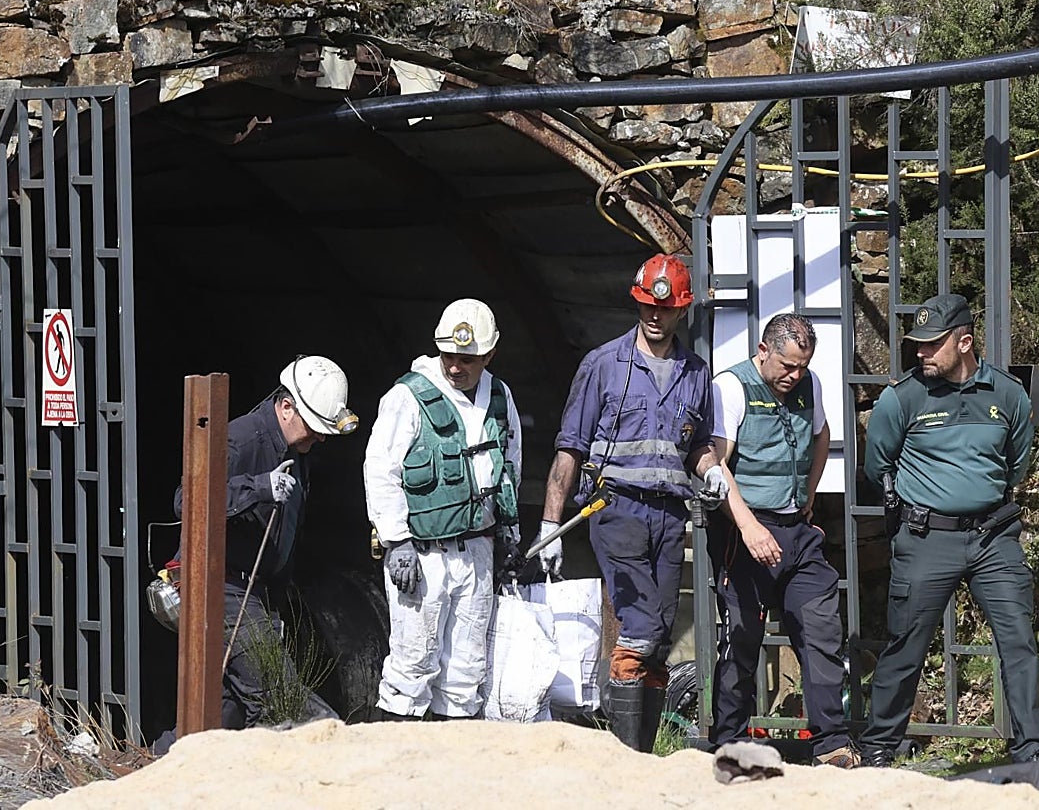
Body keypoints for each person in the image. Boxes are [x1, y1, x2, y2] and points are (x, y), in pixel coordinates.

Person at [540, 252, 726, 751]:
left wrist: (713, 472)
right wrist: (548, 523)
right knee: (640, 625)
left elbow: (699, 445)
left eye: (665, 308)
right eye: (646, 303)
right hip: (614, 507)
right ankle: (622, 753)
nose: (654, 314)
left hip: (669, 513)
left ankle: (642, 755)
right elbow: (570, 448)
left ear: (681, 310)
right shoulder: (602, 365)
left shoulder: (695, 372)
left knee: (661, 635)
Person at [860, 293, 1039, 766]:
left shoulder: (1007, 394)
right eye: (917, 344)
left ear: (964, 342)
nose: (920, 353)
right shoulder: (902, 398)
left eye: (931, 344)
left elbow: (1015, 463)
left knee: (1018, 641)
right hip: (927, 539)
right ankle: (879, 749)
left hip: (993, 538)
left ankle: (1031, 750)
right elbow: (877, 463)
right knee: (906, 646)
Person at [173, 354, 358, 731]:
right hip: (220, 587)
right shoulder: (241, 440)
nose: (321, 437)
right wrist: (257, 488)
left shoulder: (295, 446)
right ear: (286, 407)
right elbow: (186, 501)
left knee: (227, 712)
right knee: (280, 699)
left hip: (256, 590)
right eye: (315, 426)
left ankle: (168, 766)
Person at [708, 313, 858, 767]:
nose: (795, 375)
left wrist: (808, 493)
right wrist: (748, 526)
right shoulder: (731, 388)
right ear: (763, 351)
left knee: (821, 632)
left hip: (796, 530)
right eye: (787, 366)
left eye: (803, 366)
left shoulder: (809, 385)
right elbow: (716, 463)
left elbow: (822, 434)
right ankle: (728, 743)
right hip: (746, 531)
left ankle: (830, 744)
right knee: (743, 638)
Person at [365, 298, 523, 721]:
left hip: (478, 551)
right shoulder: (407, 397)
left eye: (468, 358)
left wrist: (509, 534)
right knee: (412, 667)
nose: (456, 366)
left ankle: (451, 774)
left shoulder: (501, 398)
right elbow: (381, 471)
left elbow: (511, 467)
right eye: (450, 356)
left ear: (489, 354)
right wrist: (396, 541)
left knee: (467, 672)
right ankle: (396, 763)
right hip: (422, 554)